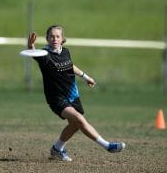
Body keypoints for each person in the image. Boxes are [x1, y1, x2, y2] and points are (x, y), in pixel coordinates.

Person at [27, 25, 125, 161]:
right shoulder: (44, 54)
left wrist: (85, 77)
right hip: (56, 98)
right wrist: (31, 46)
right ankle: (108, 146)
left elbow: (70, 66)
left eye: (57, 36)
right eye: (51, 36)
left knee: (74, 125)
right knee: (79, 119)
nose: (54, 39)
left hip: (72, 95)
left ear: (62, 39)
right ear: (47, 38)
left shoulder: (66, 52)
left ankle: (57, 149)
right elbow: (33, 54)